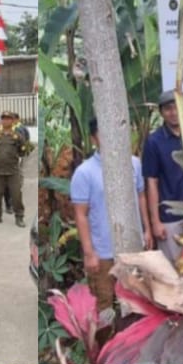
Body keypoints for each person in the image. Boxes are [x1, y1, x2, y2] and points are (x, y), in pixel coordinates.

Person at [71, 117, 151, 321]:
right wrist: (89, 253)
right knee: (104, 305)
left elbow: (141, 196)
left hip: (132, 247)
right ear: (94, 138)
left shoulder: (134, 164)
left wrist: (147, 230)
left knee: (135, 302)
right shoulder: (84, 172)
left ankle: (132, 347)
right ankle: (106, 346)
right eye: (102, 134)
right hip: (103, 252)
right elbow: (81, 214)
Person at [142, 90, 183, 264]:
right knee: (175, 269)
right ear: (161, 112)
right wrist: (156, 221)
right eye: (168, 109)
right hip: (169, 217)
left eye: (177, 107)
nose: (174, 113)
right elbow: (151, 182)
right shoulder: (154, 142)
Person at [0, 111, 27, 228]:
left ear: (12, 121)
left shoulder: (17, 136)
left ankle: (19, 217)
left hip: (13, 171)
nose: (6, 121)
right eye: (4, 119)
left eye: (8, 119)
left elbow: (22, 151)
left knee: (16, 195)